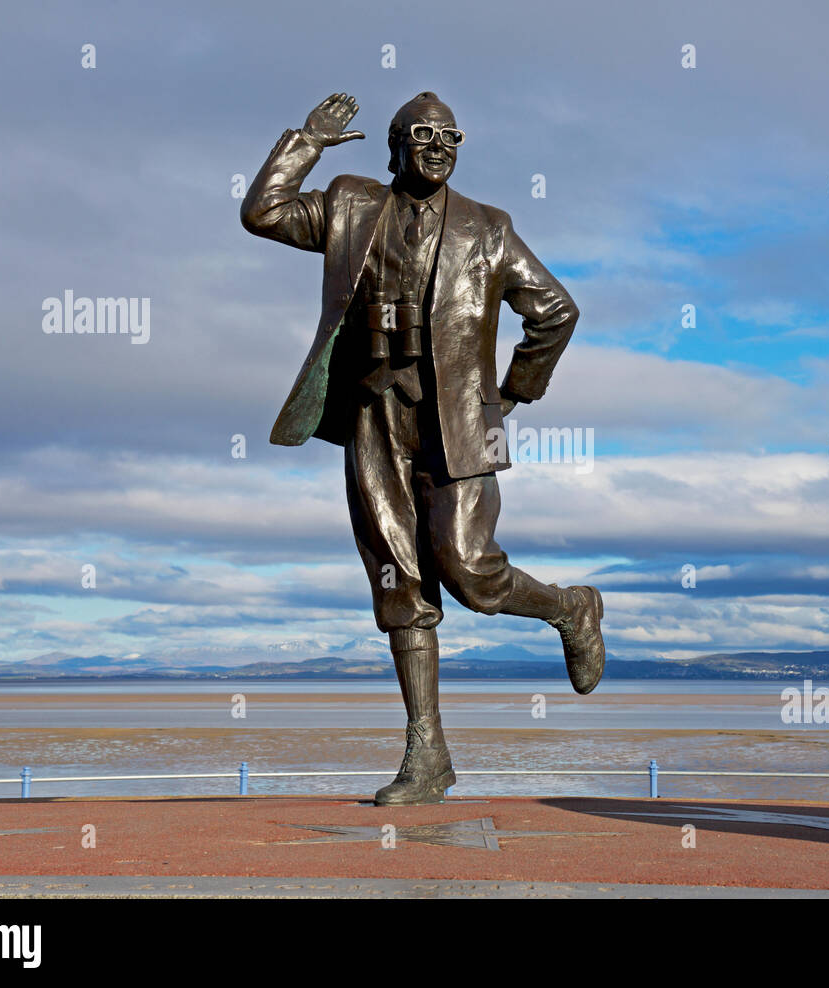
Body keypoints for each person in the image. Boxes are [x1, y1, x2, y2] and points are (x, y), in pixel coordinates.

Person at [241, 91, 605, 805]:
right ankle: (427, 756)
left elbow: (556, 310)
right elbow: (264, 213)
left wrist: (515, 392)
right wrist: (306, 143)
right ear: (396, 144)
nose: (437, 146)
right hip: (374, 412)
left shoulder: (489, 229)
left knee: (469, 568)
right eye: (422, 134)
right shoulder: (351, 204)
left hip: (462, 422)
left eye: (450, 136)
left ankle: (571, 608)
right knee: (398, 584)